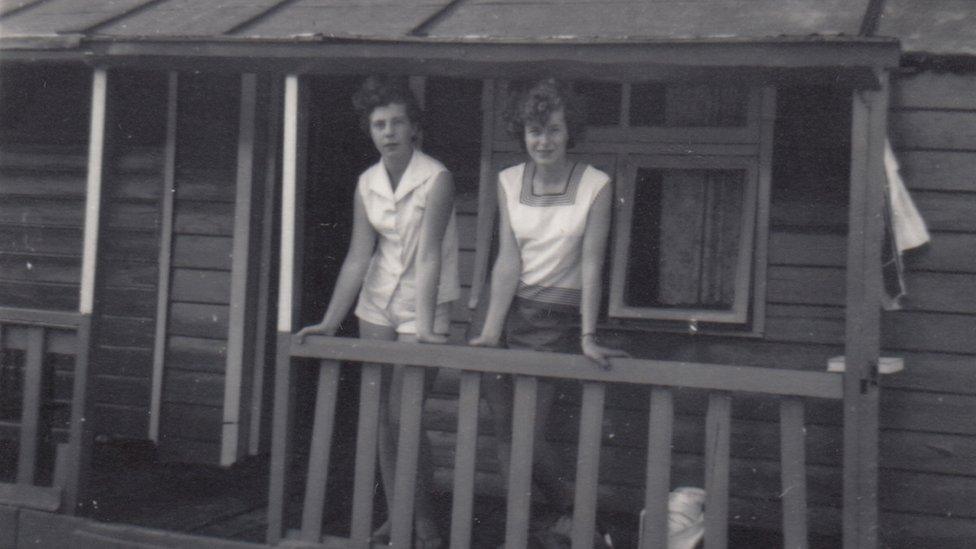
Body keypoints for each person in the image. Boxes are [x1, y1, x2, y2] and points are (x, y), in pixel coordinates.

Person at [296, 75, 458, 549]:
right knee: (383, 422)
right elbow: (358, 256)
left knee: (403, 416)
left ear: (413, 127)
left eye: (396, 122)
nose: (388, 132)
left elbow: (429, 255)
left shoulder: (437, 178)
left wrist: (425, 326)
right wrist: (330, 320)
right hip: (377, 305)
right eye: (378, 124)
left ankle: (426, 528)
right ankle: (398, 518)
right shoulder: (366, 183)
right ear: (369, 130)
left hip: (422, 307)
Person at [470, 79, 626, 546]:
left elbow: (593, 265)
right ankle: (523, 532)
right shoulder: (508, 180)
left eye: (554, 129)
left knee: (528, 438)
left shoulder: (596, 185)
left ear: (569, 130)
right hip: (505, 310)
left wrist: (586, 335)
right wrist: (491, 331)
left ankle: (579, 516)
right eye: (535, 130)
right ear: (523, 132)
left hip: (554, 319)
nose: (544, 140)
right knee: (504, 433)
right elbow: (508, 260)